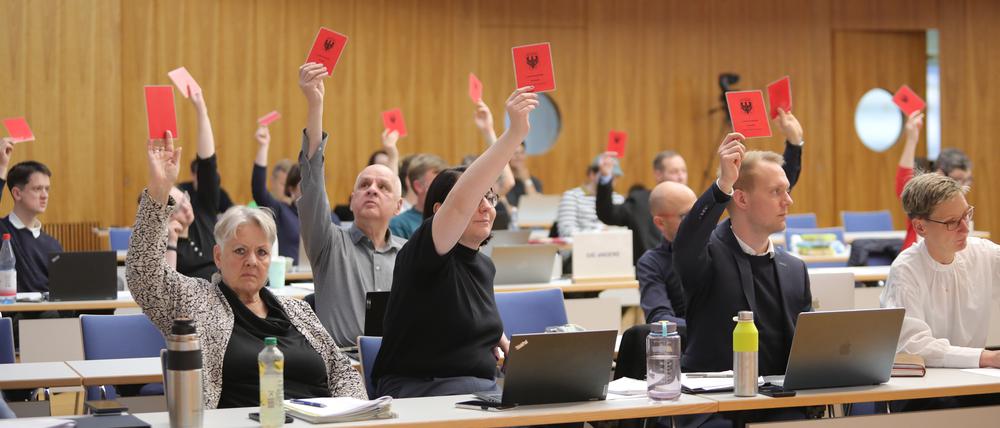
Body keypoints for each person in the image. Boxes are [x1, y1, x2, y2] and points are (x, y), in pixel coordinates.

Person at [127, 131, 365, 409]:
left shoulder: (298, 311)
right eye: (240, 251)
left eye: (261, 252)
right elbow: (145, 276)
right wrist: (159, 191)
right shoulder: (195, 303)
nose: (252, 261)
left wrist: (355, 413)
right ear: (218, 256)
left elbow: (342, 372)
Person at [372, 86, 537, 398]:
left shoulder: (483, 265)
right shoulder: (425, 251)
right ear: (439, 211)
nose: (486, 207)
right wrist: (512, 134)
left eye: (490, 198)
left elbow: (471, 318)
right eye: (476, 199)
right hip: (422, 387)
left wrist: (502, 341)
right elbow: (460, 203)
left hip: (477, 389)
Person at [673, 133, 811, 376]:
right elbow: (687, 239)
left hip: (781, 396)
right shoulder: (706, 257)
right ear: (741, 199)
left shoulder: (795, 269)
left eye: (787, 190)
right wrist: (723, 184)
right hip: (715, 396)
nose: (788, 200)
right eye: (776, 192)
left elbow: (809, 346)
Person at [598, 109, 804, 262]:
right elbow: (608, 213)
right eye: (674, 171)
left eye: (683, 171)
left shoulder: (700, 203)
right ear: (658, 174)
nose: (680, 176)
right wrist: (606, 178)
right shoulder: (641, 201)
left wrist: (794, 145)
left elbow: (766, 188)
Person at [297, 62, 405, 348]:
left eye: (382, 188)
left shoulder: (409, 254)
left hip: (399, 362)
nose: (372, 190)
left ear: (398, 207)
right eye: (364, 185)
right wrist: (315, 105)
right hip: (344, 361)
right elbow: (312, 181)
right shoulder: (328, 243)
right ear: (352, 199)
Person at [882, 173, 999, 368]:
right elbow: (912, 346)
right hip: (927, 381)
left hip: (977, 375)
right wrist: (987, 358)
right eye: (952, 222)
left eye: (966, 215)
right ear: (920, 227)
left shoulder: (984, 253)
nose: (965, 228)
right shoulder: (906, 271)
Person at [896, 110, 974, 250]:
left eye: (967, 180)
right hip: (919, 255)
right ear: (940, 173)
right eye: (957, 179)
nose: (962, 186)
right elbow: (904, 181)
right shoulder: (924, 195)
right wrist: (912, 139)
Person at [167, 88, 221, 281]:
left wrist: (201, 111)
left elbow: (207, 163)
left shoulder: (204, 211)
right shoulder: (165, 241)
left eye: (185, 200)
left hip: (222, 294)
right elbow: (166, 286)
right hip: (191, 299)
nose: (186, 208)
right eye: (177, 207)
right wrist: (172, 241)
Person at [0, 138, 62, 293]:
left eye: (47, 189)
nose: (45, 195)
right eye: (37, 189)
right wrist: (2, 166)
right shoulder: (3, 231)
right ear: (17, 193)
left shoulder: (53, 245)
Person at [636, 180, 696, 327]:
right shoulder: (651, 263)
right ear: (660, 223)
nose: (697, 221)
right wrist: (704, 329)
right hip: (685, 337)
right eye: (686, 216)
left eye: (698, 211)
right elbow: (659, 319)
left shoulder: (718, 245)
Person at [252, 125, 303, 264]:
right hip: (286, 275)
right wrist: (263, 147)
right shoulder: (281, 211)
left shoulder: (327, 217)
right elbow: (259, 191)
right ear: (292, 189)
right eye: (303, 184)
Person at [555, 160, 625, 238]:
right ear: (592, 175)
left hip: (613, 244)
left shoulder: (618, 199)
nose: (610, 181)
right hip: (582, 245)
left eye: (614, 178)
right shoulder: (572, 196)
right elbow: (566, 231)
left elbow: (625, 230)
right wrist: (598, 233)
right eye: (605, 176)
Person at [389, 153, 447, 239]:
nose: (444, 187)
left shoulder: (451, 218)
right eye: (436, 182)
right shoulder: (399, 224)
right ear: (418, 186)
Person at [506, 142, 542, 207]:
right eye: (515, 153)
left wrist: (526, 180)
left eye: (522, 153)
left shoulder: (534, 182)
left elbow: (537, 206)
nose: (518, 156)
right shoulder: (502, 181)